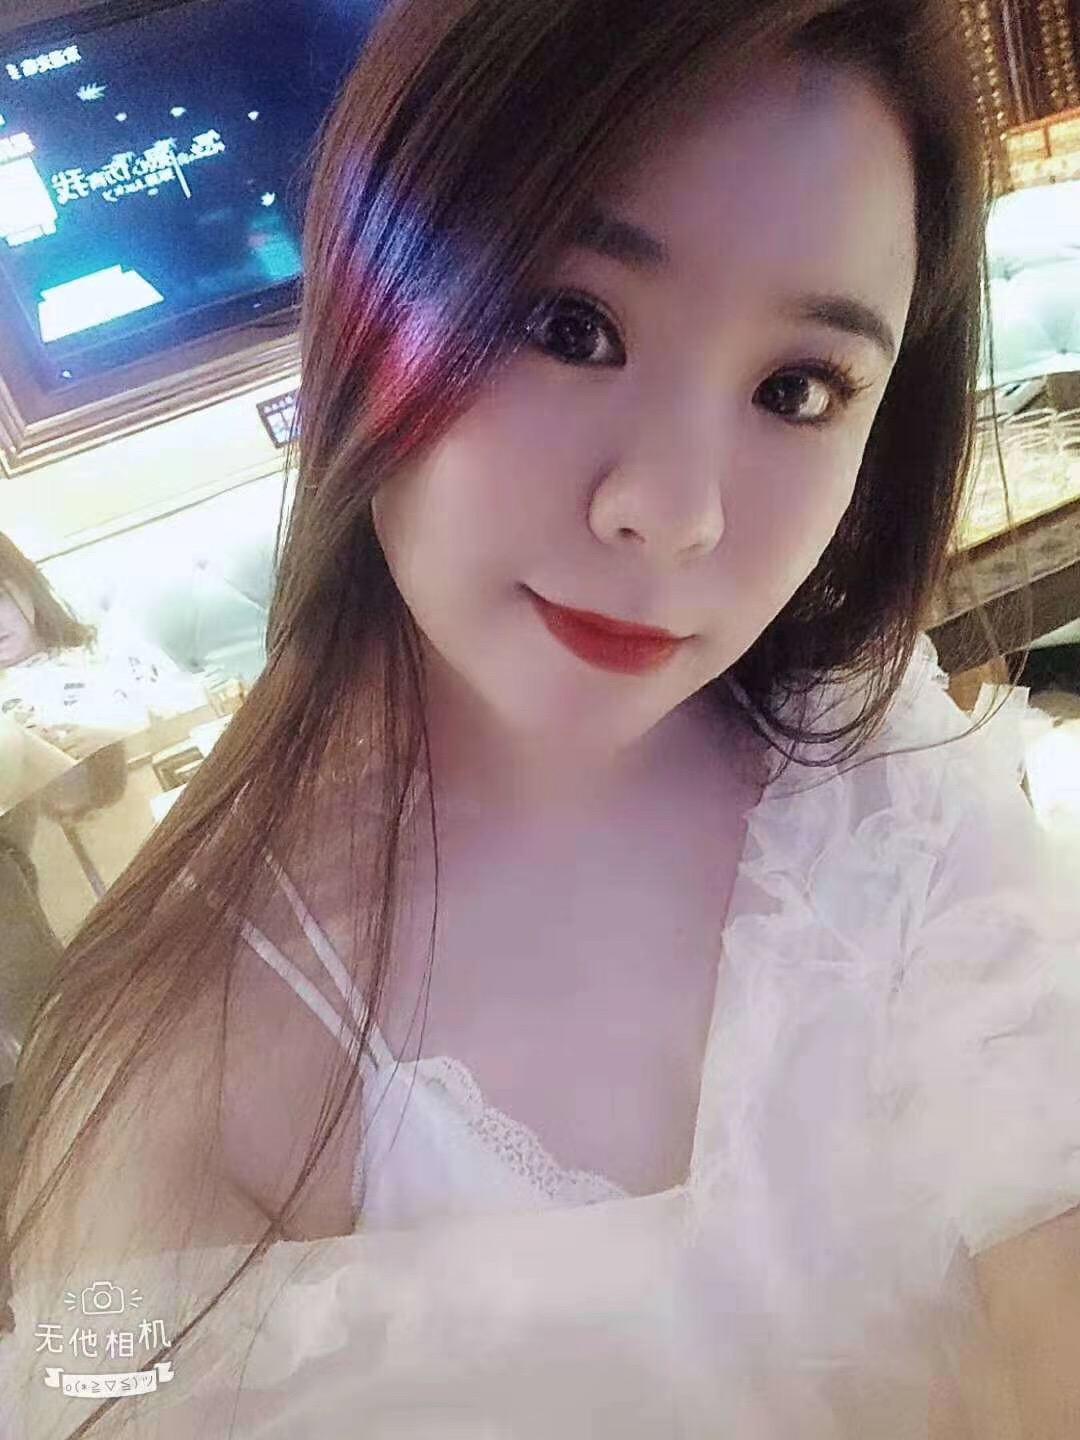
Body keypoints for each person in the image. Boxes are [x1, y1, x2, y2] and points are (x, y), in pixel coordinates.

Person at [3, 1, 1080, 1435]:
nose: (673, 513)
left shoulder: (871, 761)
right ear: (370, 291)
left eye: (797, 387)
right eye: (570, 326)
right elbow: (90, 1383)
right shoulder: (187, 1076)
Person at [0, 533, 210, 768]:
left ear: (28, 586)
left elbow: (204, 723)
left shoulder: (114, 648)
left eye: (0, 597)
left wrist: (125, 747)